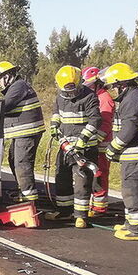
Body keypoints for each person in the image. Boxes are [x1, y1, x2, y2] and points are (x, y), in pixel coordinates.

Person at [99, 62, 138, 241]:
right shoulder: (133, 95)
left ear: (121, 84)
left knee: (132, 189)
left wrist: (112, 148)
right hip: (137, 152)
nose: (110, 91)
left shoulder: (131, 100)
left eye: (112, 87)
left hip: (137, 153)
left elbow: (128, 130)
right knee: (129, 188)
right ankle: (132, 222)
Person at [49, 66, 102, 228]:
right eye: (67, 91)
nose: (71, 94)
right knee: (61, 178)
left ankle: (81, 216)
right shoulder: (60, 97)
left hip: (84, 149)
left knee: (82, 181)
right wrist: (54, 125)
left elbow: (95, 120)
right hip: (65, 147)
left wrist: (82, 140)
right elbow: (56, 113)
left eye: (73, 90)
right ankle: (64, 211)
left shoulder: (89, 96)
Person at [0, 61, 45, 203]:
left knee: (22, 164)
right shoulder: (15, 87)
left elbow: (5, 106)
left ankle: (29, 201)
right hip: (22, 134)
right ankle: (23, 191)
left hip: (27, 133)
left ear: (6, 76)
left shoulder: (19, 86)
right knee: (13, 160)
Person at [82, 66, 114, 215]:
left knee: (99, 175)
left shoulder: (104, 98)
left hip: (101, 145)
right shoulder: (95, 97)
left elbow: (105, 124)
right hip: (94, 144)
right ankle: (93, 205)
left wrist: (96, 141)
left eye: (90, 86)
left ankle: (99, 208)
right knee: (92, 174)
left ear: (97, 84)